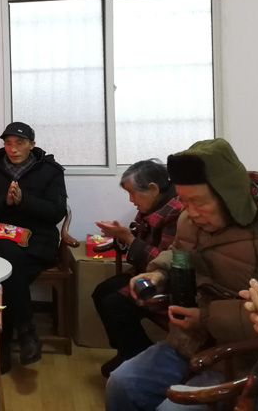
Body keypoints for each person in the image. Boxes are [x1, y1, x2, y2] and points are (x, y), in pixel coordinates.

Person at [106, 138, 258, 411]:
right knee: (121, 383)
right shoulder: (187, 220)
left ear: (230, 195)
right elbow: (178, 252)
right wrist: (158, 273)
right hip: (189, 342)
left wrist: (206, 318)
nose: (191, 212)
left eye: (199, 202)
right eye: (184, 201)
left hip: (243, 357)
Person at [0, 121, 67, 373]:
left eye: (19, 143)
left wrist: (24, 200)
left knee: (5, 272)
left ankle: (3, 343)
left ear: (32, 145)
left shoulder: (50, 171)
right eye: (8, 143)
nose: (12, 149)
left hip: (37, 242)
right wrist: (4, 202)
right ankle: (26, 331)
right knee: (7, 254)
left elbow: (56, 212)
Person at [92, 159, 183, 377]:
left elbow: (165, 260)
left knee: (115, 304)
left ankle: (139, 358)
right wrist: (121, 236)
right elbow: (140, 242)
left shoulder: (176, 211)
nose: (131, 200)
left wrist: (129, 239)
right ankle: (126, 351)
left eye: (133, 193)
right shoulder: (154, 205)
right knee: (102, 292)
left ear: (153, 188)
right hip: (145, 273)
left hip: (170, 281)